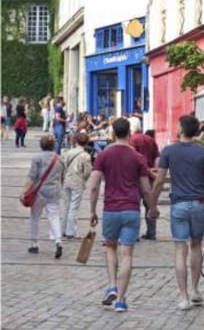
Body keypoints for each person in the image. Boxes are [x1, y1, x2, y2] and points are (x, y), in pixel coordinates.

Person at [152, 114, 204, 310]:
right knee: (195, 246)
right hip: (199, 203)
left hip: (179, 205)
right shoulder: (203, 152)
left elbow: (159, 180)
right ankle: (195, 290)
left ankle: (183, 297)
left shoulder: (169, 151)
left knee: (179, 249)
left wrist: (153, 204)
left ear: (181, 130)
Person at [89, 117, 158, 312]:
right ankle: (120, 299)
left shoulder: (104, 155)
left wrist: (92, 210)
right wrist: (152, 208)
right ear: (129, 133)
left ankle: (112, 284)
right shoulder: (138, 158)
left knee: (110, 247)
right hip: (131, 209)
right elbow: (145, 188)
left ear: (112, 133)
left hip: (111, 209)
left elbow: (94, 186)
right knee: (127, 253)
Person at [20, 135, 65, 258]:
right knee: (54, 217)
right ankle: (58, 241)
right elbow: (62, 177)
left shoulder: (37, 158)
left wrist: (24, 191)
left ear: (41, 145)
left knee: (35, 217)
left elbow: (31, 176)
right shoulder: (60, 159)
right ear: (53, 146)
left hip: (39, 192)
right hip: (54, 192)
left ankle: (34, 244)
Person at [128, 117, 160, 240]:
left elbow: (133, 159)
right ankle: (151, 232)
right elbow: (157, 157)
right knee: (150, 203)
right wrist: (155, 171)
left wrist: (147, 170)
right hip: (150, 177)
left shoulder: (131, 140)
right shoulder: (150, 139)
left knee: (135, 205)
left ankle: (134, 234)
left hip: (136, 177)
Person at [61, 133, 92, 239]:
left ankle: (62, 229)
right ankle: (70, 231)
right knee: (74, 207)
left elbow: (63, 166)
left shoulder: (68, 152)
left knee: (66, 206)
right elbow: (87, 172)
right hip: (78, 182)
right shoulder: (85, 155)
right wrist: (84, 179)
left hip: (67, 180)